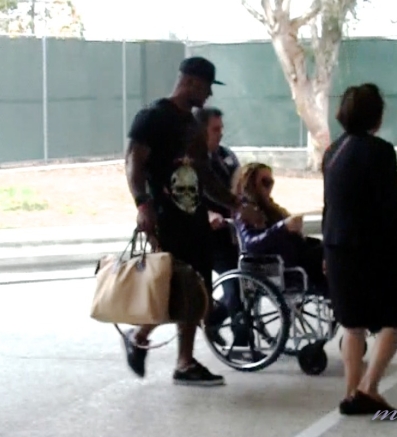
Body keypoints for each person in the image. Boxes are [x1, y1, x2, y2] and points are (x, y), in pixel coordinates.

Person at [122, 56, 259, 387]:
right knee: (172, 287)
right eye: (207, 87)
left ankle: (183, 362)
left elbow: (204, 175)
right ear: (191, 82)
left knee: (196, 290)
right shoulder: (152, 117)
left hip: (194, 218)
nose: (209, 94)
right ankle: (140, 337)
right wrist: (143, 205)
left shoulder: (193, 125)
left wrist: (234, 204)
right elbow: (133, 164)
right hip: (165, 217)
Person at [322, 83, 397, 415]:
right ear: (376, 116)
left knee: (352, 323)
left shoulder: (333, 151)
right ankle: (368, 388)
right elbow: (393, 207)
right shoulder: (379, 151)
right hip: (367, 248)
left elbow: (330, 205)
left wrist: (326, 251)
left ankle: (351, 393)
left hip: (336, 245)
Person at [235, 162, 327, 294]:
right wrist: (283, 227)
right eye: (265, 182)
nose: (269, 187)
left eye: (271, 182)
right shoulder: (246, 210)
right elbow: (251, 244)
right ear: (250, 184)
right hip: (278, 264)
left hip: (293, 256)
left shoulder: (271, 207)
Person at [194, 106, 242, 344]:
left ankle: (213, 319)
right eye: (215, 129)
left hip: (231, 231)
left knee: (245, 282)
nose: (220, 133)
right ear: (200, 131)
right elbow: (185, 198)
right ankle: (242, 339)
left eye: (221, 128)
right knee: (234, 282)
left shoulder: (226, 156)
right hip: (207, 235)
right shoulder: (190, 162)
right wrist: (208, 215)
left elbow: (239, 187)